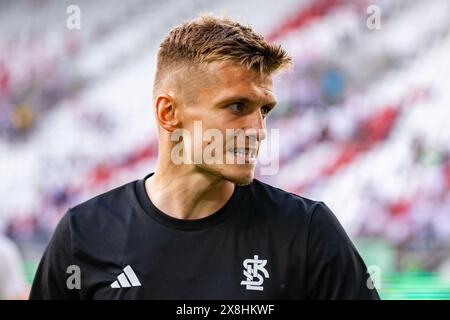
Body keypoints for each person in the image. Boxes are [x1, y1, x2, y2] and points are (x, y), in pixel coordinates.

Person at [29, 15, 379, 300]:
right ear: (169, 113)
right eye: (237, 106)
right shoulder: (84, 235)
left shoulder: (307, 232)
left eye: (265, 111)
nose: (258, 130)